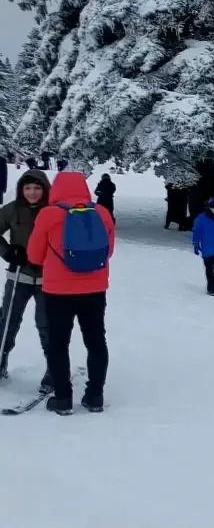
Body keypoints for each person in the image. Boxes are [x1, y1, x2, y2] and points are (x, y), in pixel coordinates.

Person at [26, 171, 115, 414]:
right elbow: (108, 252)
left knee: (58, 342)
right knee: (96, 340)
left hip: (58, 290)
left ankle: (63, 398)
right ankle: (95, 396)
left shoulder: (49, 214)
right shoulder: (102, 213)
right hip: (95, 289)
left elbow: (34, 255)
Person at [0, 170, 52, 390]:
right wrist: (7, 251)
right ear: (22, 189)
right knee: (8, 321)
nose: (32, 193)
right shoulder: (12, 209)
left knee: (47, 324)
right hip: (19, 274)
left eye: (37, 188)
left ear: (45, 189)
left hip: (47, 279)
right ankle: (1, 360)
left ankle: (54, 369)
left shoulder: (53, 211)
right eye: (28, 188)